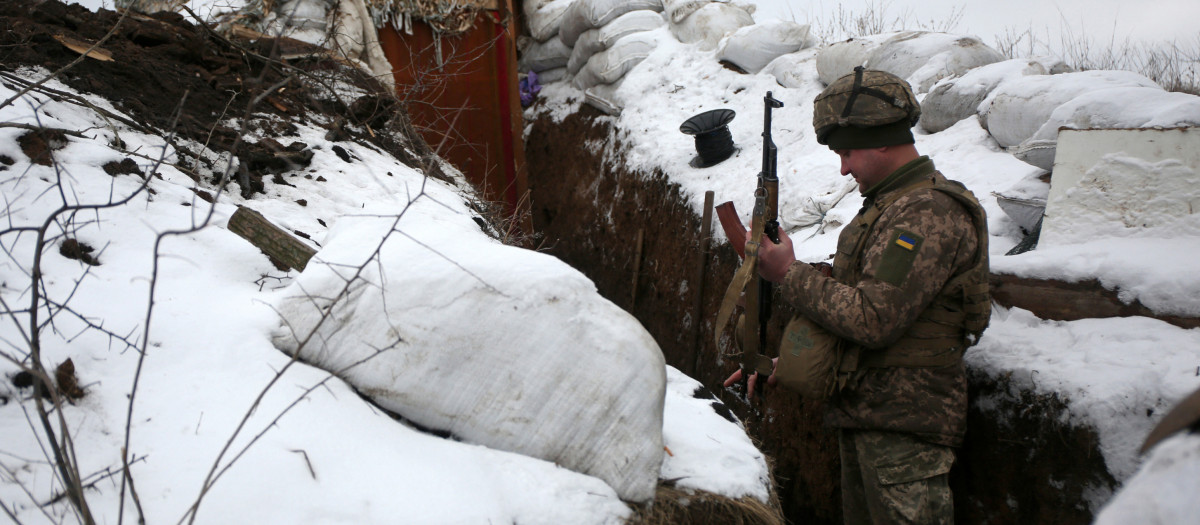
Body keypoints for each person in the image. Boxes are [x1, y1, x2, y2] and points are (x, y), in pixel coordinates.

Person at [725, 67, 991, 524]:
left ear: (882, 139)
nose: (843, 167)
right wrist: (789, 361)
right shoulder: (891, 206)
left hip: (904, 432)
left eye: (847, 152)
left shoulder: (926, 212)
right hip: (870, 417)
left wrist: (789, 274)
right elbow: (858, 295)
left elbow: (873, 317)